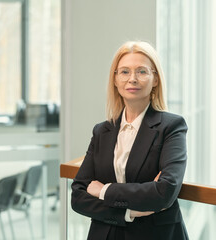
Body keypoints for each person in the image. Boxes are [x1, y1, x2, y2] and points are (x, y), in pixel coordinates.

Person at [71, 41, 189, 240]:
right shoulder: (102, 131)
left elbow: (164, 191)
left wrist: (105, 190)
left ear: (155, 79)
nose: (132, 79)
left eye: (142, 71)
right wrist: (129, 213)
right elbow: (78, 196)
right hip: (107, 232)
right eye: (124, 72)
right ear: (115, 80)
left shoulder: (171, 127)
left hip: (155, 234)